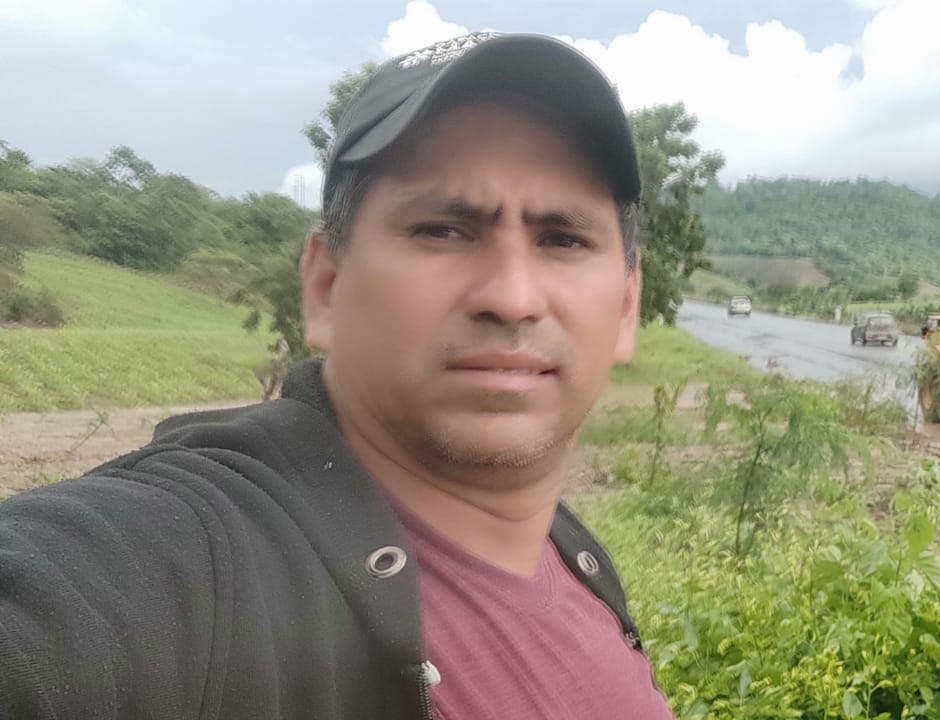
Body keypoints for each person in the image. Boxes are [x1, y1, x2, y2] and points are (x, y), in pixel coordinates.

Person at [0, 32, 674, 719]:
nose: (512, 296)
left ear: (626, 309)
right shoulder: (182, 564)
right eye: (442, 229)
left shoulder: (571, 556)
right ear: (325, 286)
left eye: (563, 239)